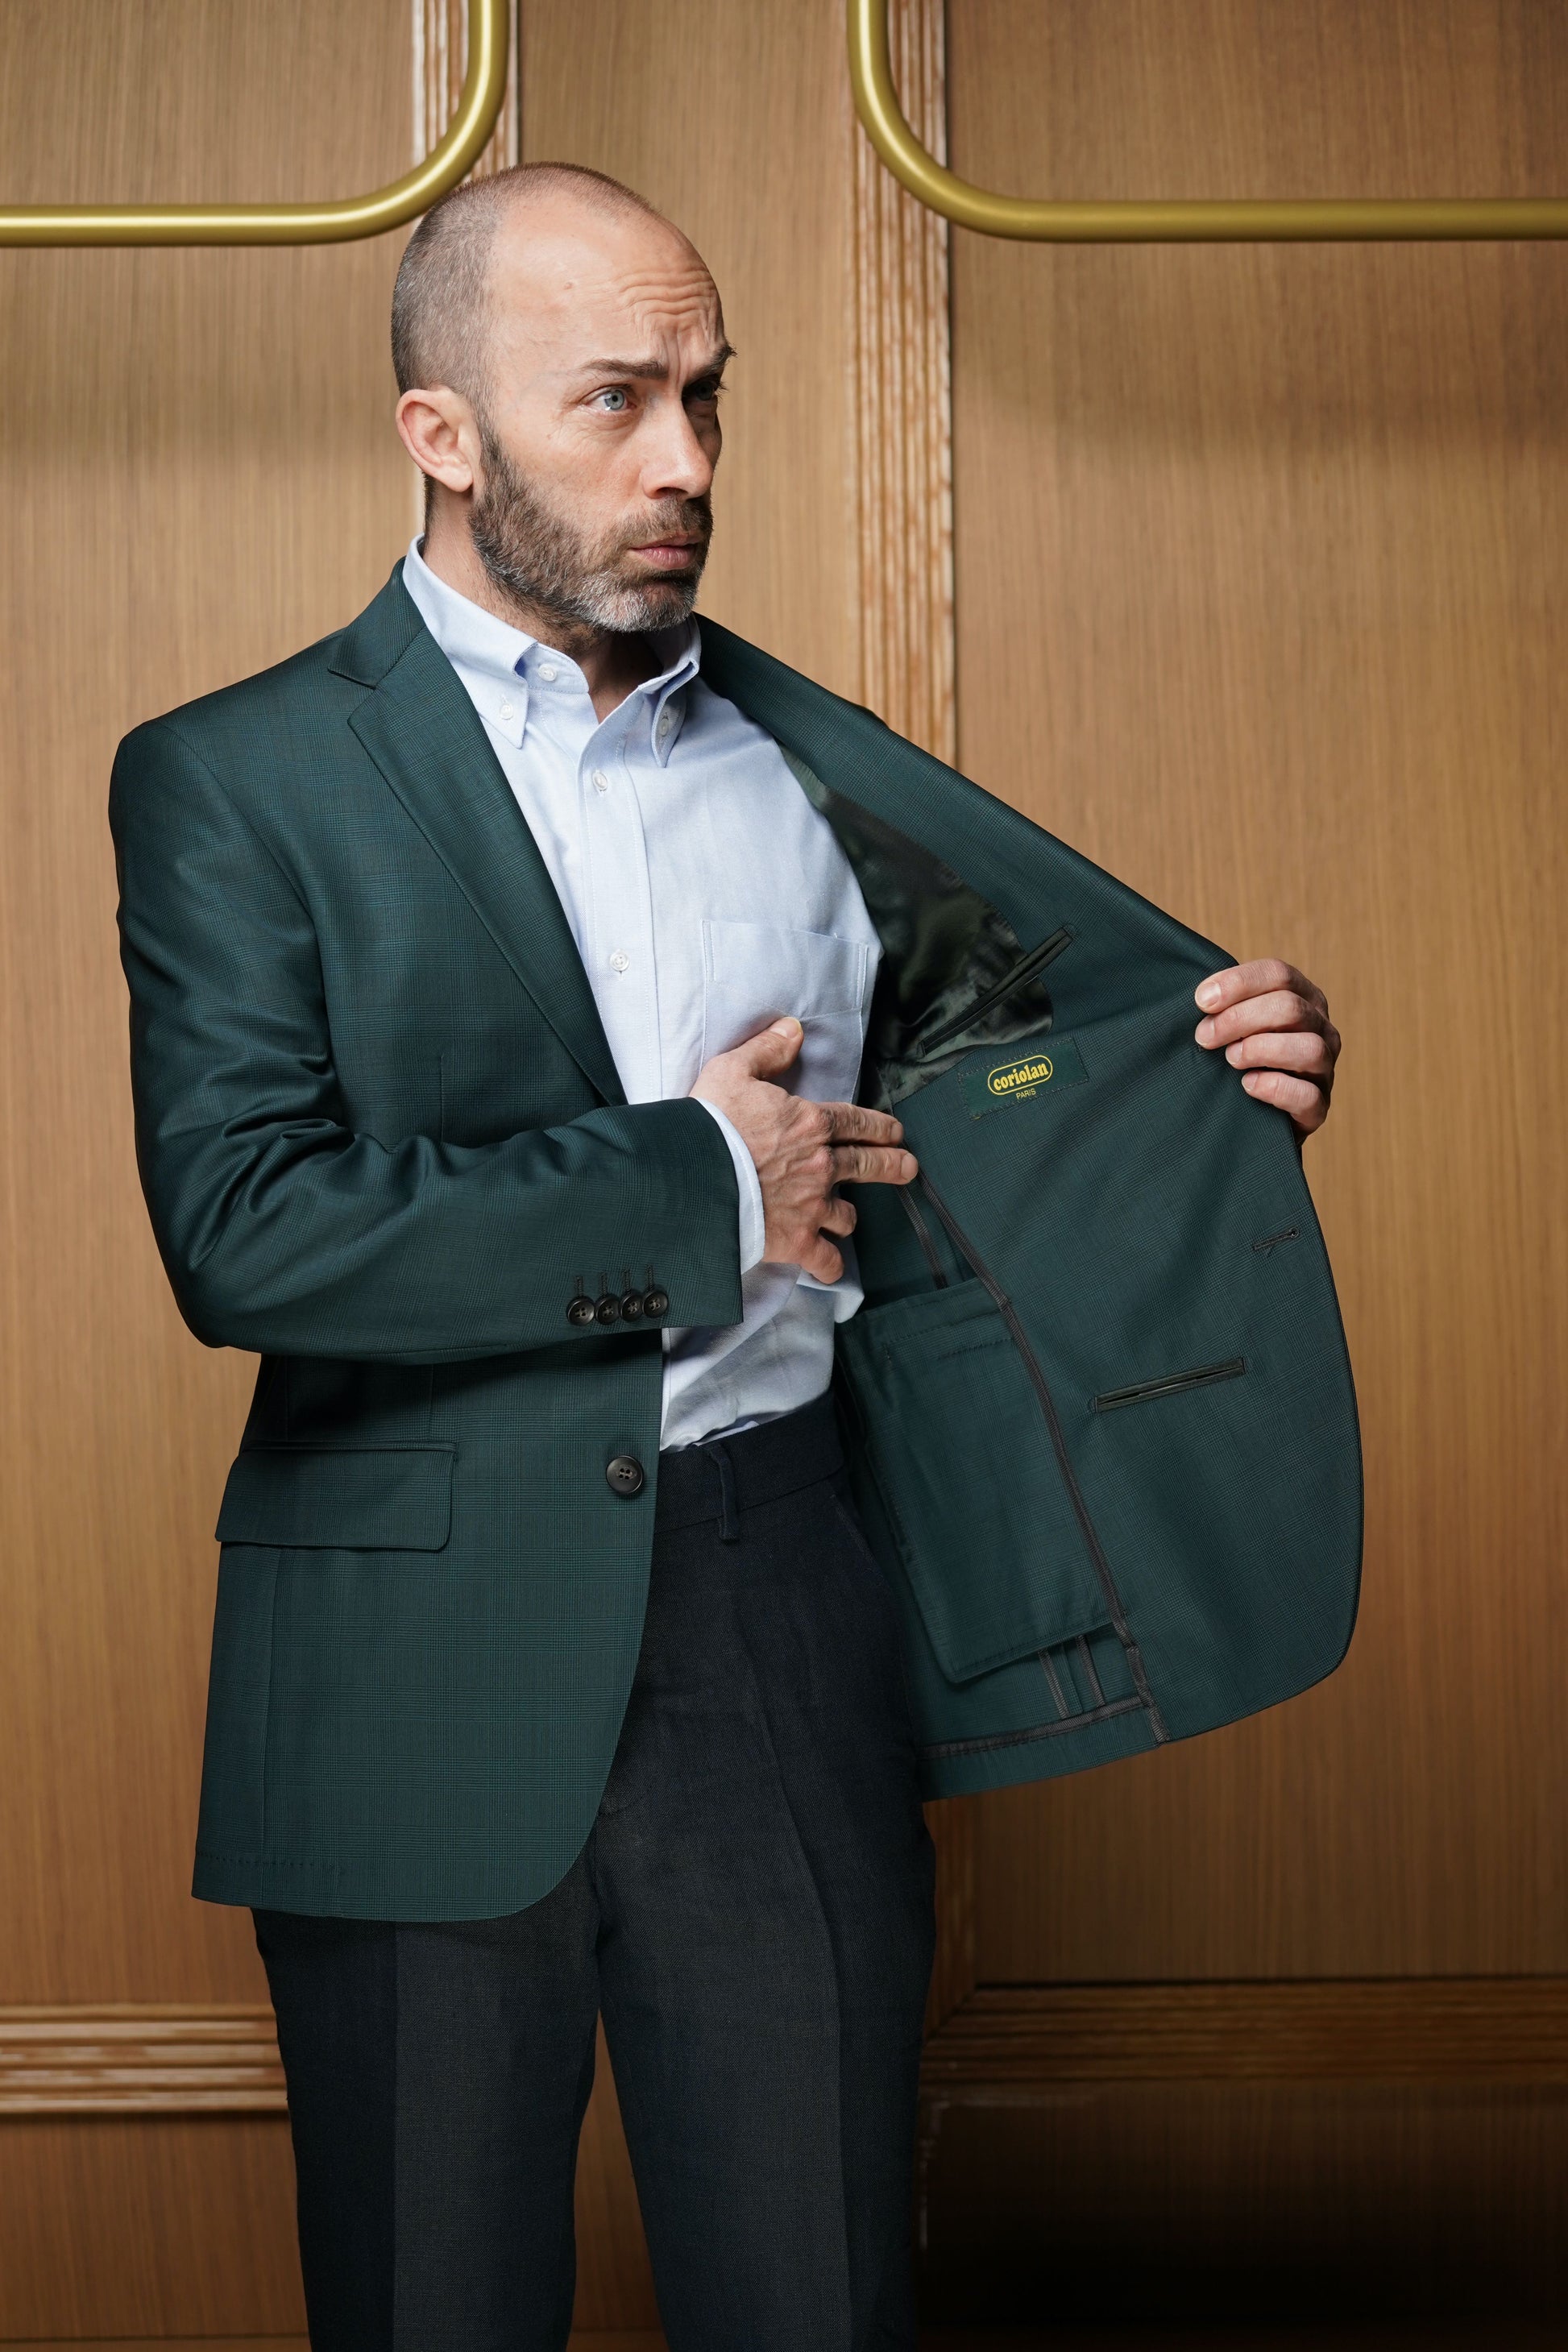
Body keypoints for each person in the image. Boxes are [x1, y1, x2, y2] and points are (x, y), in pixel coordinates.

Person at [110, 163, 1341, 2350]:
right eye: (613, 400)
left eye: (705, 396)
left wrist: (1217, 1069)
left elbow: (1007, 1100)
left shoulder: (808, 771)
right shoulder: (234, 778)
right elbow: (247, 1231)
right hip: (407, 1657)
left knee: (817, 2298)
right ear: (440, 432)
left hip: (784, 1606)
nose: (682, 460)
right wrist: (699, 1189)